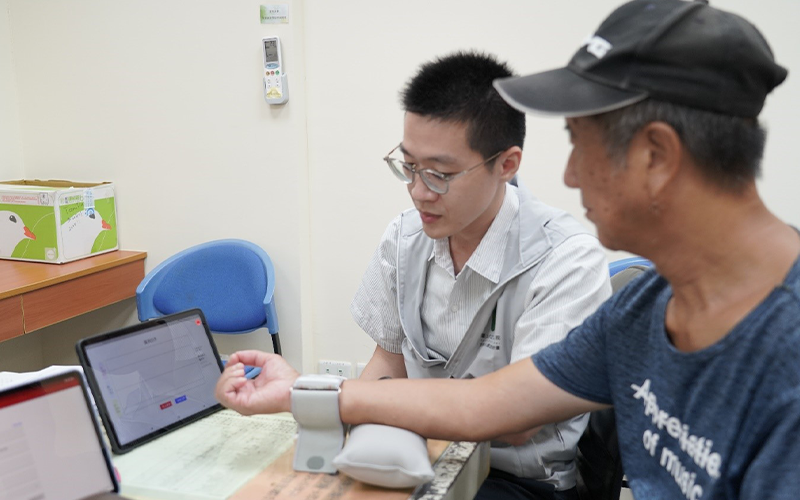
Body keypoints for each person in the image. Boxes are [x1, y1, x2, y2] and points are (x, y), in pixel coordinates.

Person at [216, 1, 800, 498]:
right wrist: (302, 391)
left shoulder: (784, 349)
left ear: (656, 156)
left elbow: (511, 429)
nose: (569, 177)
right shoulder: (643, 308)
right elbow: (488, 406)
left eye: (581, 146)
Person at [349, 51, 611, 499]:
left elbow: (516, 422)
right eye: (409, 167)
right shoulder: (404, 238)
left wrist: (339, 398)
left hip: (516, 479)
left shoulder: (566, 260)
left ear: (506, 164)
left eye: (439, 174)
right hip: (420, 452)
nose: (418, 192)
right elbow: (388, 363)